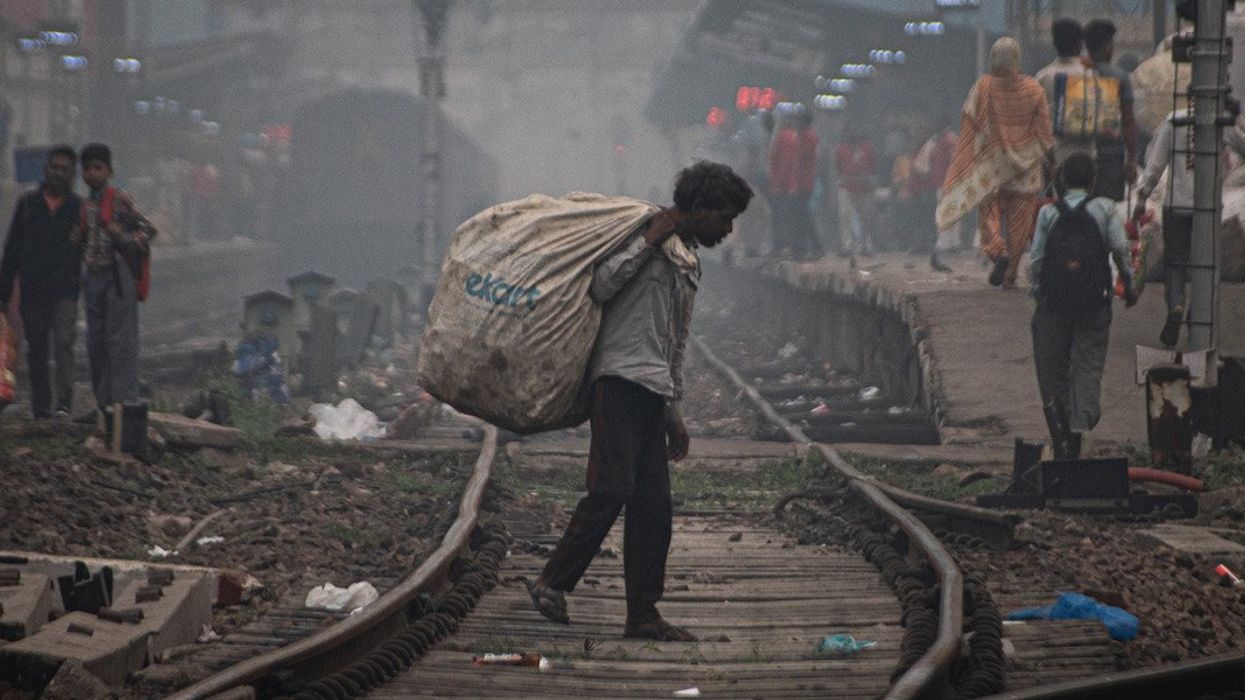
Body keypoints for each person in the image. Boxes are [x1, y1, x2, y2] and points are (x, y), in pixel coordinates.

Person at [526, 161, 753, 642]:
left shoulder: (688, 260)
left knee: (653, 506)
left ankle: (643, 616)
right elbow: (601, 285)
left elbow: (677, 339)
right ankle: (551, 583)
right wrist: (648, 239)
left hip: (651, 390)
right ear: (696, 207)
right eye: (723, 217)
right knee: (610, 489)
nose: (728, 229)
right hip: (618, 381)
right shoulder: (644, 238)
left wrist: (674, 411)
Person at [1029, 153, 1138, 459]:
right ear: (1093, 180)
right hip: (1093, 302)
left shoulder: (1048, 213)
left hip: (1054, 305)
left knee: (1055, 369)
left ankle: (1062, 431)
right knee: (1088, 367)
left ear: (1061, 180)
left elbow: (1037, 259)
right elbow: (1120, 248)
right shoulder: (1104, 209)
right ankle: (1081, 429)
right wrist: (1128, 286)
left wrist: (1039, 294)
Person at [937, 37, 1054, 288]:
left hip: (992, 170)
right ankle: (1011, 273)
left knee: (988, 216)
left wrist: (968, 157)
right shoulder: (1034, 89)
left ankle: (997, 252)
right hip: (1026, 171)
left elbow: (969, 122)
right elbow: (1045, 134)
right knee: (1019, 224)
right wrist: (1034, 153)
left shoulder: (983, 87)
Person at [1133, 104, 1245, 347]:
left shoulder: (1175, 120)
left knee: (1175, 262)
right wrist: (1235, 118)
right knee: (1207, 262)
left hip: (1176, 205)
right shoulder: (1221, 122)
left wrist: (1142, 198)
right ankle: (1199, 311)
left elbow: (1155, 166)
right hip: (1209, 208)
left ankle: (1176, 304)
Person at [0, 145, 83, 419]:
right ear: (46, 169)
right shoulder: (27, 205)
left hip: (65, 291)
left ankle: (63, 404)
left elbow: (87, 250)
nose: (58, 174)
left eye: (65, 170)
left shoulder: (78, 209)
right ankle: (41, 408)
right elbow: (11, 251)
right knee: (37, 349)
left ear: (72, 174)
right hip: (33, 291)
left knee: (63, 344)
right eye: (54, 168)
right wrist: (3, 293)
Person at [75, 143, 157, 415]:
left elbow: (149, 230)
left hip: (118, 278)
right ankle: (104, 403)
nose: (92, 173)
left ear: (109, 170)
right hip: (93, 277)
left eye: (98, 168)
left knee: (121, 342)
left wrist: (122, 236)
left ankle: (125, 404)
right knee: (96, 342)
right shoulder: (86, 205)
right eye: (87, 168)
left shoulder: (118, 199)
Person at [1083, 19, 1138, 201]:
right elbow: (1128, 121)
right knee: (1107, 209)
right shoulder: (1120, 77)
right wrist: (1131, 159)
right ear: (1107, 47)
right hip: (1111, 155)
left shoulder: (1077, 74)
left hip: (1080, 151)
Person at [1035, 18, 1094, 164]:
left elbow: (1036, 123)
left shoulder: (1043, 77)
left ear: (1054, 43)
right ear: (1080, 43)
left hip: (1055, 158)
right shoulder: (1093, 74)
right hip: (1089, 158)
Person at [768, 104, 821, 259]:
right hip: (797, 183)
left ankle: (807, 247)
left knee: (798, 215)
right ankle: (802, 248)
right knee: (799, 215)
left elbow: (799, 160)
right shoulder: (798, 136)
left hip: (803, 183)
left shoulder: (808, 137)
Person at [910, 123, 954, 271]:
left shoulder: (931, 146)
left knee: (929, 219)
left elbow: (923, 168)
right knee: (921, 219)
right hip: (921, 188)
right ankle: (926, 245)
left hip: (927, 188)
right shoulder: (922, 148)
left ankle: (932, 245)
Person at [836, 126, 877, 258]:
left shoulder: (868, 148)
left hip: (864, 188)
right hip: (847, 187)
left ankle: (867, 244)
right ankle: (847, 245)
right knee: (845, 215)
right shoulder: (841, 149)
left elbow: (873, 167)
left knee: (866, 217)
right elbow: (838, 168)